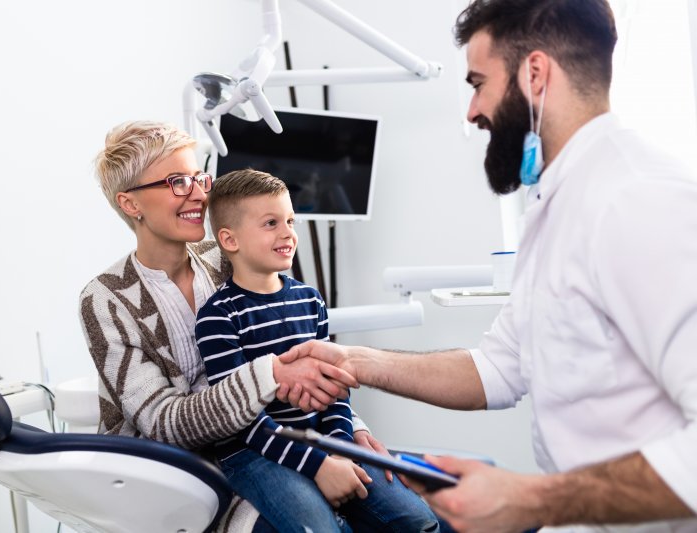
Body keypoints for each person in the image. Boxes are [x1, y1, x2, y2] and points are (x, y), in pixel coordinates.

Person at [279, 1, 697, 531]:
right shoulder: (557, 206)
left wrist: (535, 499)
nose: (472, 111)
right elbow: (498, 368)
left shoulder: (639, 201)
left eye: (478, 84)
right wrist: (355, 360)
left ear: (535, 74)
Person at [79, 121, 389, 531]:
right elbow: (164, 423)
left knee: (394, 505)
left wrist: (350, 432)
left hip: (267, 443)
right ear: (131, 203)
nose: (199, 194)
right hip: (175, 476)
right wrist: (273, 375)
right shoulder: (105, 299)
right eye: (177, 182)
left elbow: (298, 343)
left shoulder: (225, 256)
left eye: (198, 178)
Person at [194, 169, 439, 532]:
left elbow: (335, 389)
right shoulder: (218, 316)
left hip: (322, 439)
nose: (287, 233)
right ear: (230, 240)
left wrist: (339, 449)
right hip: (254, 453)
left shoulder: (310, 300)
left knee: (419, 520)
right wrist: (318, 465)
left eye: (290, 220)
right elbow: (242, 419)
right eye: (271, 223)